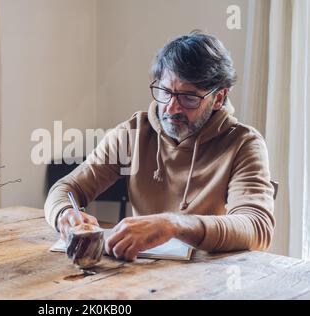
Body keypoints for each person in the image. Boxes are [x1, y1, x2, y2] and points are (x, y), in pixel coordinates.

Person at [44, 31, 275, 262]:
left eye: (189, 97)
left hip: (213, 279)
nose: (172, 108)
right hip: (142, 274)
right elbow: (66, 188)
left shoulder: (244, 144)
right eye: (165, 92)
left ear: (218, 98)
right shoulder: (132, 133)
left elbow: (257, 227)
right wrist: (65, 214)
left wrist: (174, 224)